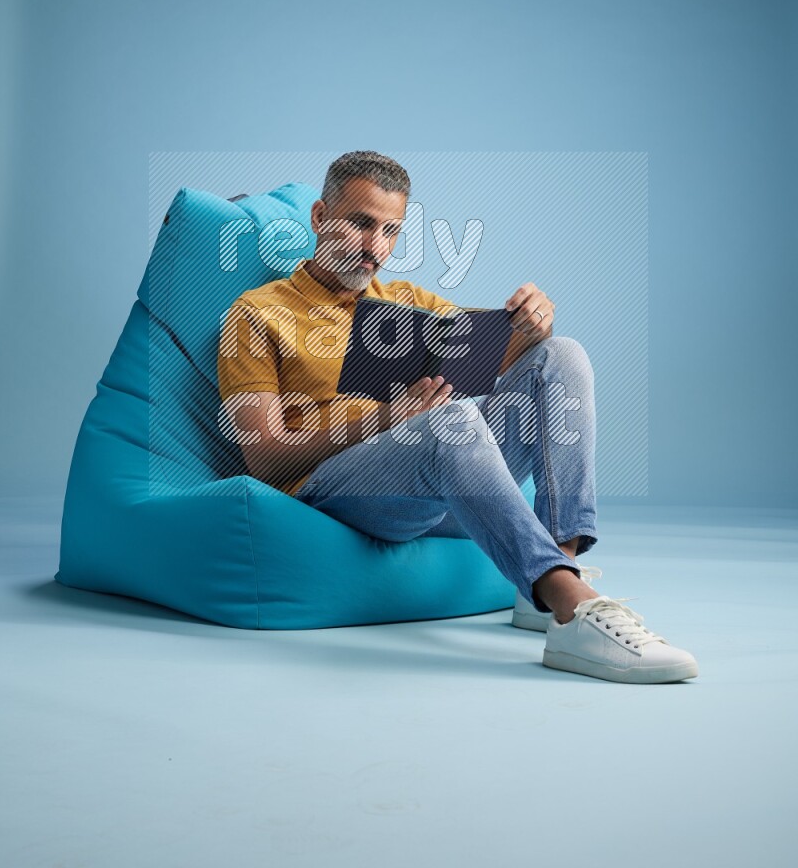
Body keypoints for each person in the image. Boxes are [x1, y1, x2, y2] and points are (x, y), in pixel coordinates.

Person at [217, 151, 698, 684]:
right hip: (331, 493)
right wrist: (384, 418)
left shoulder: (404, 301)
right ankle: (572, 604)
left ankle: (548, 580)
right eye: (360, 224)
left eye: (391, 231)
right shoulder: (257, 312)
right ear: (319, 217)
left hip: (431, 483)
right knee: (452, 423)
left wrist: (531, 326)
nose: (375, 248)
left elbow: (507, 360)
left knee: (563, 356)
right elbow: (261, 455)